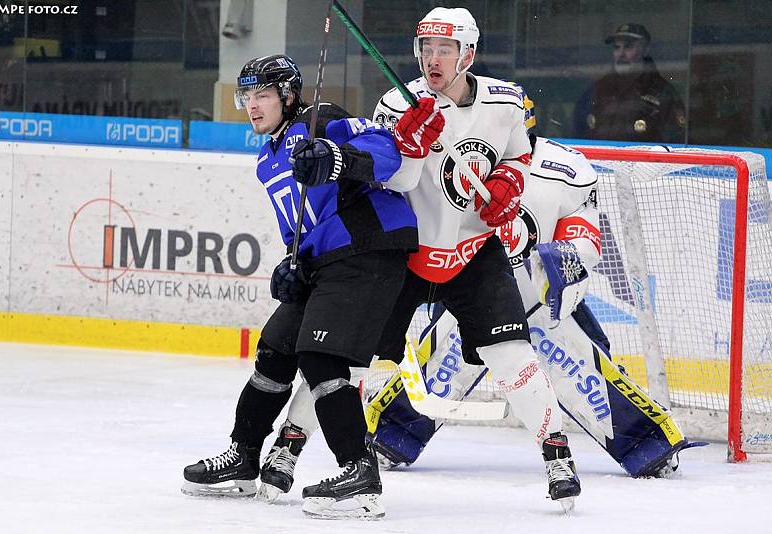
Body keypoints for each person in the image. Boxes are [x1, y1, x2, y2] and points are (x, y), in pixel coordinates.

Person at [366, 86, 698, 479]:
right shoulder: (454, 153)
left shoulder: (566, 169)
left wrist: (565, 261)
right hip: (473, 290)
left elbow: (585, 236)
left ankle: (646, 445)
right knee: (436, 375)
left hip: (542, 299)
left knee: (596, 360)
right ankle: (391, 433)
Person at [180, 54, 419, 520]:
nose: (252, 105)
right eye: (246, 96)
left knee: (320, 357)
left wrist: (335, 158)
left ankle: (359, 473)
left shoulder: (320, 121)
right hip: (325, 263)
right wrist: (293, 263)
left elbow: (391, 156)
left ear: (288, 97)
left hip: (368, 250)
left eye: (263, 95)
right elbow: (305, 223)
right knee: (274, 349)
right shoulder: (267, 160)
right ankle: (245, 457)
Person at [372, 7, 580, 511]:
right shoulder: (396, 106)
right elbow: (388, 182)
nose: (432, 59)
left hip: (473, 251)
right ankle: (296, 448)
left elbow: (518, 157)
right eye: (426, 48)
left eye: (444, 50)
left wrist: (509, 184)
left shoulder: (506, 103)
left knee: (513, 355)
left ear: (469, 53)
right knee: (360, 355)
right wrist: (407, 149)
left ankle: (556, 455)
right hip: (407, 251)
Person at [573, 23, 686, 143]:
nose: (621, 54)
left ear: (646, 50)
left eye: (628, 47)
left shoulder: (662, 92)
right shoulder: (598, 89)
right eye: (617, 47)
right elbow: (577, 135)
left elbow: (675, 143)